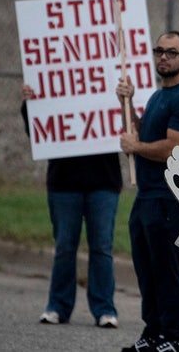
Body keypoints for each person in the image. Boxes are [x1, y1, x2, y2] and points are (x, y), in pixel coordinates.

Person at [117, 31, 179, 352]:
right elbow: (144, 133)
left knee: (167, 272)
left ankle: (174, 338)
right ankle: (153, 333)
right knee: (147, 271)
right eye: (159, 51)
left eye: (171, 52)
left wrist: (136, 147)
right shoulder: (159, 96)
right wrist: (126, 104)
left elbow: (175, 148)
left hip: (171, 200)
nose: (163, 57)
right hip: (146, 197)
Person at [20, 84, 121, 328]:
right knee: (65, 246)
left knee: (102, 247)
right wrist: (30, 104)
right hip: (64, 181)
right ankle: (58, 306)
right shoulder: (57, 84)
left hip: (103, 180)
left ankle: (104, 309)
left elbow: (132, 124)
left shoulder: (112, 83)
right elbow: (37, 130)